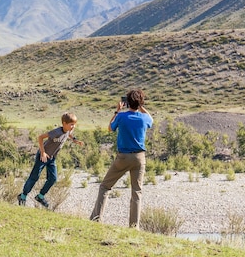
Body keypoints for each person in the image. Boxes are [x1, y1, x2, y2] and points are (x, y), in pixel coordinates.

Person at [90, 89, 153, 228]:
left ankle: (96, 219)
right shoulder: (144, 118)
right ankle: (133, 226)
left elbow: (110, 128)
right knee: (136, 192)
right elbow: (151, 119)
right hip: (139, 157)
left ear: (127, 102)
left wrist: (117, 111)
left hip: (123, 157)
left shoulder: (122, 116)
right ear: (140, 103)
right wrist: (141, 106)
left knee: (105, 186)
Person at [18, 112, 84, 208]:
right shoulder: (56, 132)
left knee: (53, 178)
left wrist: (75, 140)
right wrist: (43, 152)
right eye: (71, 124)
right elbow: (40, 137)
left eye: (74, 124)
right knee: (34, 177)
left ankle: (40, 196)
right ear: (64, 123)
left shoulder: (68, 131)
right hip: (42, 156)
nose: (73, 126)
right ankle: (23, 196)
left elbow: (69, 134)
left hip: (52, 158)